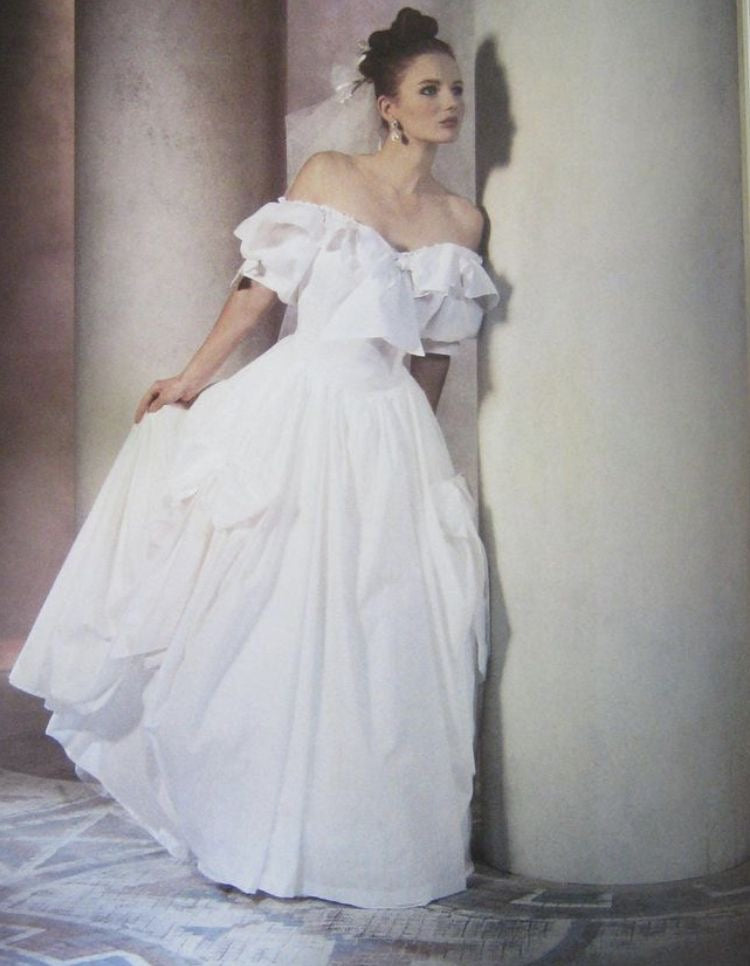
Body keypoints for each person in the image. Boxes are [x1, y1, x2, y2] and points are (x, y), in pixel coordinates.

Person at [8, 7, 500, 909]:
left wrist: (417, 459)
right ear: (388, 106)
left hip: (387, 428)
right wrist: (191, 378)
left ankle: (356, 834)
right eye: (430, 89)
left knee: (377, 625)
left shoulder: (461, 221)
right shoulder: (330, 175)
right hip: (301, 403)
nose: (449, 103)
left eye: (456, 89)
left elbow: (431, 356)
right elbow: (258, 291)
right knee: (269, 608)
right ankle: (250, 817)